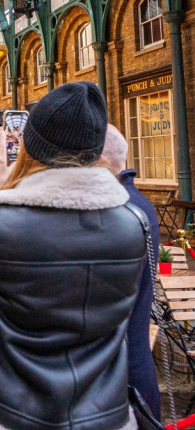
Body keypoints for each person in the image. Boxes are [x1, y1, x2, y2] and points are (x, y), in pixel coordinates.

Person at [0, 82, 147, 430]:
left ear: (31, 146)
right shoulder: (133, 224)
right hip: (102, 410)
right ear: (95, 151)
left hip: (9, 408)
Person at [100, 124, 161, 418]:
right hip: (134, 367)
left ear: (98, 160)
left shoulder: (117, 208)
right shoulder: (139, 204)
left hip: (119, 382)